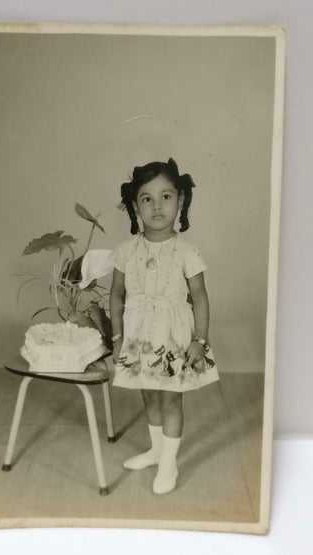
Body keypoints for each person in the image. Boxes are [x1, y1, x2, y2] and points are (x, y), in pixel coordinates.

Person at [110, 157, 219, 495]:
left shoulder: (187, 251)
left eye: (166, 196)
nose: (157, 206)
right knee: (149, 393)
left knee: (171, 399)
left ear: (180, 201)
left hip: (174, 338)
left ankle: (169, 464)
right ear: (135, 205)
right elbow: (115, 295)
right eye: (146, 198)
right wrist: (117, 338)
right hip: (139, 336)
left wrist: (200, 340)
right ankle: (156, 452)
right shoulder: (126, 251)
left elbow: (199, 298)